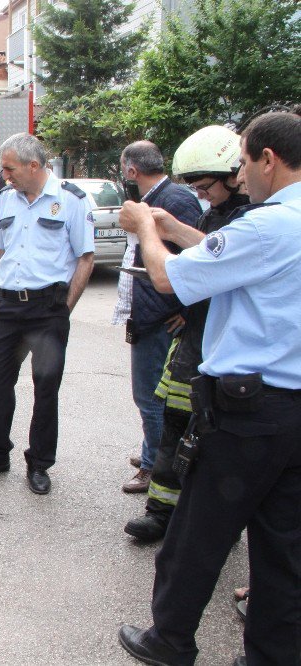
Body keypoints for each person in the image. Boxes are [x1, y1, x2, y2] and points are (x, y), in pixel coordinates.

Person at [117, 110, 301, 666]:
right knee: (283, 547)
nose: (241, 176)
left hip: (247, 412)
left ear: (269, 158)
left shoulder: (266, 224)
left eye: (244, 162)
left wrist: (149, 232)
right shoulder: (280, 226)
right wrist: (175, 228)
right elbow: (241, 260)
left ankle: (169, 641)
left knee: (197, 534)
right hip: (292, 410)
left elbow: (170, 277)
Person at [123, 126, 251, 542]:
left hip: (229, 344)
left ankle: (214, 523)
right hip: (194, 338)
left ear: (232, 173)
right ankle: (161, 512)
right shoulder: (213, 212)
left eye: (205, 185)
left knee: (215, 438)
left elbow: (220, 265)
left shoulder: (252, 217)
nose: (201, 193)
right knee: (174, 424)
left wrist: (161, 228)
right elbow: (201, 261)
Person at [0, 133, 94, 495]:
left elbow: (85, 257)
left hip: (46, 309)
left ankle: (39, 463)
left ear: (33, 166)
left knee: (45, 387)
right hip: (4, 307)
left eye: (9, 168)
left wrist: (64, 309)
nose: (5, 175)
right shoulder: (6, 200)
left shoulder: (70, 201)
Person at [118, 142, 202, 494]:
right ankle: (150, 453)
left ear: (131, 171)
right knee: (149, 396)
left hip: (161, 316)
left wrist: (186, 312)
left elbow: (198, 263)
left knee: (152, 398)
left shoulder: (176, 200)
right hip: (149, 311)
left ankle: (157, 468)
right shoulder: (156, 197)